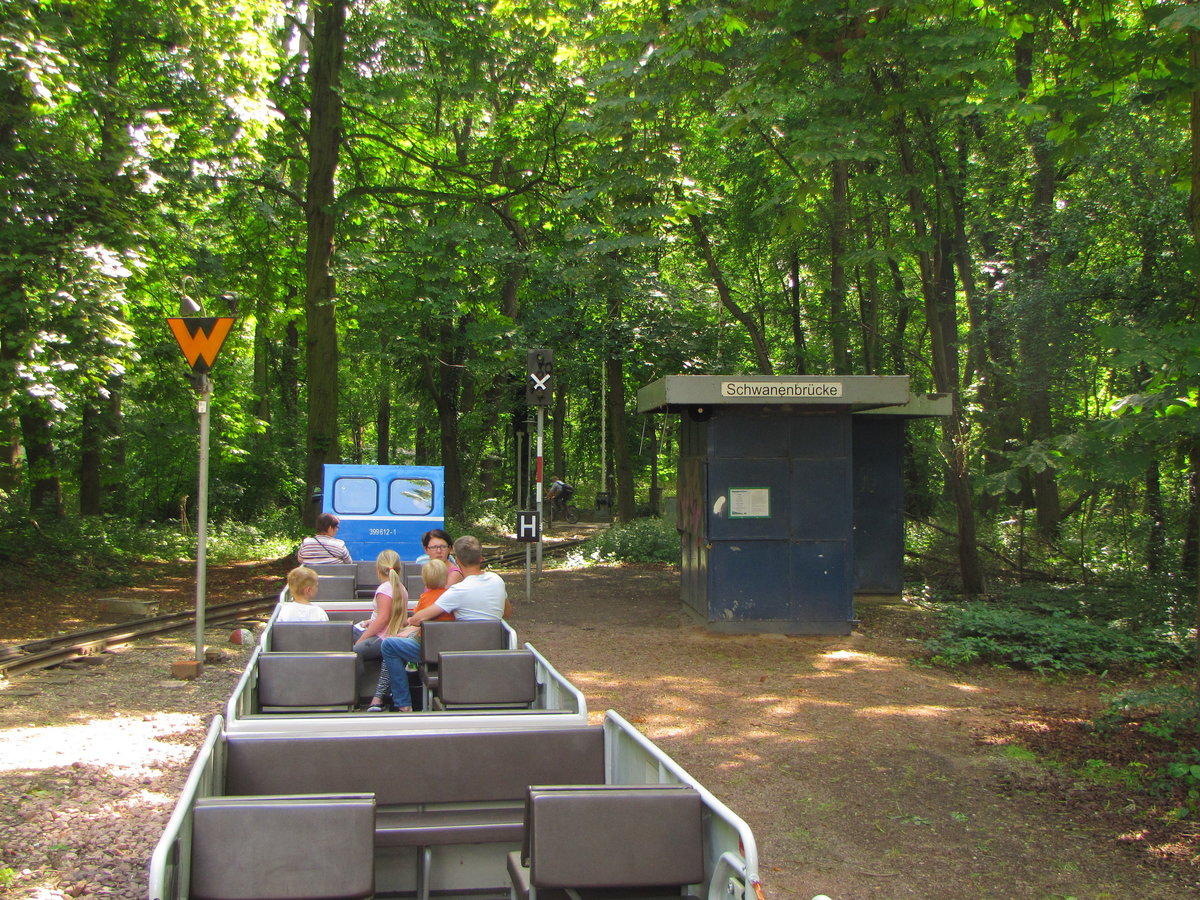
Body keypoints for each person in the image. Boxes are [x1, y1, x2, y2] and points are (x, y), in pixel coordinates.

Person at [379, 536, 507, 711]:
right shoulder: (497, 580)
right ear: (481, 558)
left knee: (389, 645)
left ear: (458, 561)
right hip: (493, 646)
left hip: (459, 650)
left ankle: (403, 703)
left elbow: (418, 618)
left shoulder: (457, 591)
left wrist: (410, 622)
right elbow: (507, 612)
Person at [365, 558, 452, 711]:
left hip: (425, 648)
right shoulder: (451, 596)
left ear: (424, 580)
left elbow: (416, 623)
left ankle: (403, 702)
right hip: (445, 647)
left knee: (389, 645)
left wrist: (405, 628)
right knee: (394, 641)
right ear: (445, 578)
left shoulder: (425, 599)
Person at [353, 549, 409, 690]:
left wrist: (363, 638)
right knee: (349, 631)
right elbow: (393, 617)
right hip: (391, 634)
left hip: (383, 638)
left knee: (354, 650)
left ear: (378, 569)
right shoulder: (401, 588)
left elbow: (383, 618)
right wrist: (371, 622)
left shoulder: (384, 589)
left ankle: (355, 691)